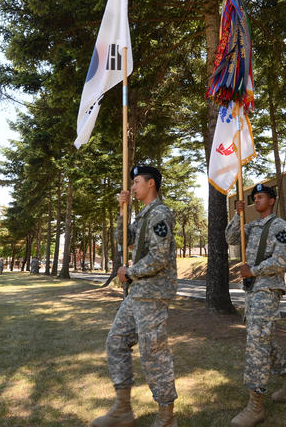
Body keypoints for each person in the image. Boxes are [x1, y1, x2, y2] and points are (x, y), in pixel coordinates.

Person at [90, 165, 178, 427]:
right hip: (137, 292)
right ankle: (123, 408)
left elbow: (159, 257)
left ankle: (166, 416)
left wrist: (129, 271)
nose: (133, 186)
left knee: (153, 352)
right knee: (116, 341)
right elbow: (124, 240)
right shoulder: (142, 216)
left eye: (137, 181)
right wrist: (122, 212)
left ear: (151, 184)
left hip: (152, 292)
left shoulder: (160, 213)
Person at [225, 184, 286, 427]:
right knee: (263, 340)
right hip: (252, 291)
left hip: (267, 289)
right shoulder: (252, 226)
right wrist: (236, 216)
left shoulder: (280, 226)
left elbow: (281, 260)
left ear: (271, 200)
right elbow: (230, 238)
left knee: (256, 344)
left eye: (260, 197)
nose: (256, 200)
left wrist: (254, 270)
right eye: (254, 198)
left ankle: (256, 406)